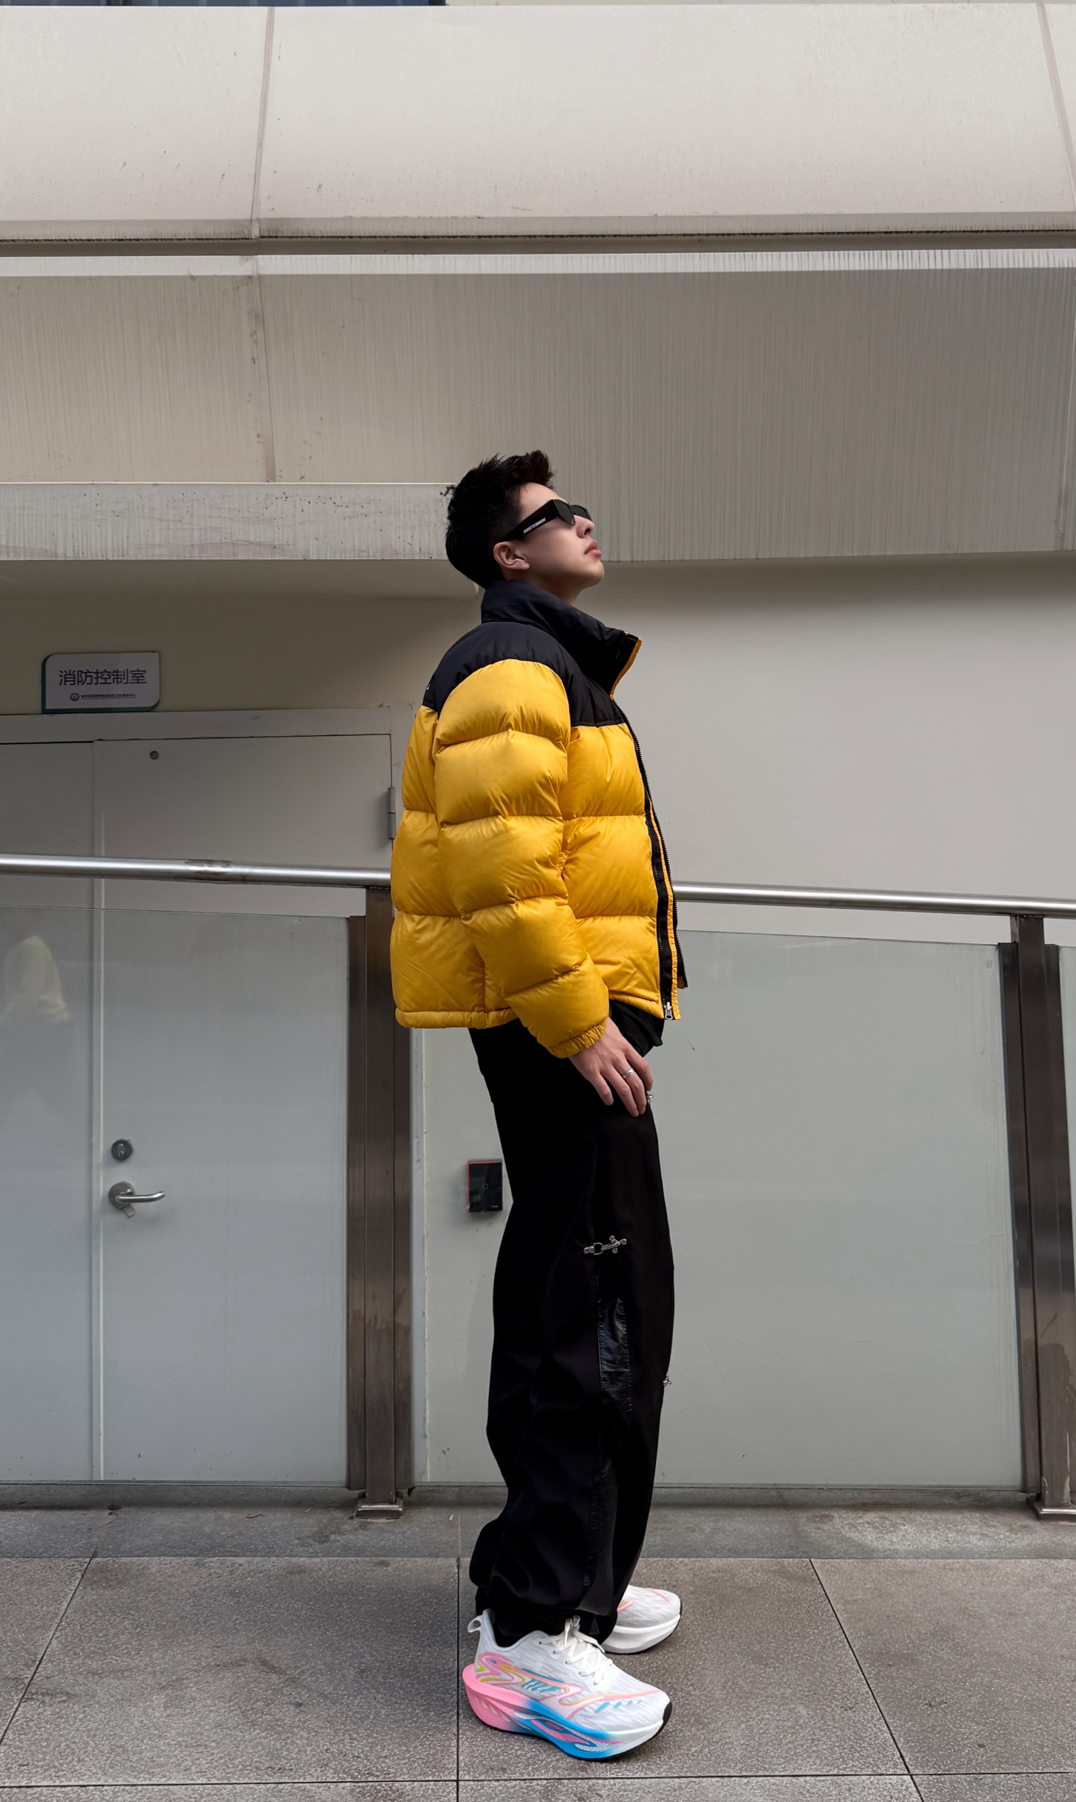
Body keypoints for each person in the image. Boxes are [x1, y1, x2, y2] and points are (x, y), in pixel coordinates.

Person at [389, 450, 685, 1761]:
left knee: (596, 1290)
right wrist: (577, 1023)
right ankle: (531, 1634)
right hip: (561, 1024)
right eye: (559, 512)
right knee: (590, 1308)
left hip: (569, 1021)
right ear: (510, 553)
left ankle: (569, 1579)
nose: (586, 518)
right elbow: (503, 867)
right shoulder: (513, 664)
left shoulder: (550, 662)